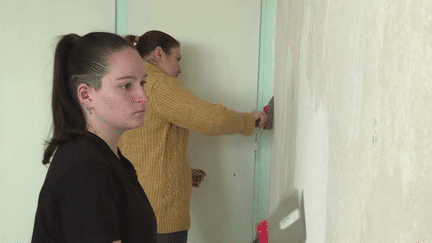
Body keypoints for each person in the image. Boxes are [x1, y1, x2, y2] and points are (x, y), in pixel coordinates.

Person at [119, 30, 267, 242]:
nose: (180, 69)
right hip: (160, 215)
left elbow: (145, 149)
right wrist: (249, 120)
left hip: (133, 210)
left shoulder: (129, 86)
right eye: (177, 59)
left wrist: (182, 174)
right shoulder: (158, 85)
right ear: (159, 53)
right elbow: (209, 119)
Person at [31, 32, 157, 242]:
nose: (143, 97)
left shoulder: (104, 157)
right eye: (126, 85)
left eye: (142, 83)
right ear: (86, 95)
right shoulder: (88, 169)